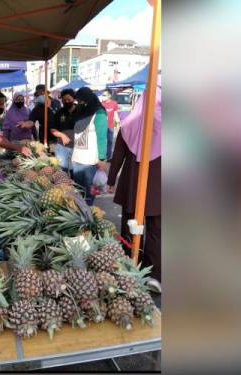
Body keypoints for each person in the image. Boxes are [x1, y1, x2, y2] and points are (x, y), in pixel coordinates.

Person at [107, 84, 161, 284]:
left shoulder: (130, 122)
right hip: (160, 189)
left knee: (131, 226)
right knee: (157, 231)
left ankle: (129, 269)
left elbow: (118, 153)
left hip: (133, 185)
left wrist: (111, 180)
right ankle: (154, 276)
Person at [71, 87, 108, 206]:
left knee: (89, 191)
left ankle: (88, 215)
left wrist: (101, 158)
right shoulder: (79, 112)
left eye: (82, 101)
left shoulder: (99, 113)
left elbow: (102, 137)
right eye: (78, 101)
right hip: (77, 158)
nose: (80, 103)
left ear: (89, 99)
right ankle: (81, 214)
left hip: (90, 160)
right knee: (79, 190)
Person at [51, 88, 77, 172]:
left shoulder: (80, 111)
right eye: (64, 100)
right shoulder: (59, 113)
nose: (66, 102)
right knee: (62, 172)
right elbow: (52, 129)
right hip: (62, 147)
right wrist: (62, 135)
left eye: (69, 99)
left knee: (76, 172)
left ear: (74, 98)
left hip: (77, 147)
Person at [101, 88, 120, 161]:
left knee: (110, 142)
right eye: (103, 95)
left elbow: (115, 114)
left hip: (110, 126)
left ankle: (109, 156)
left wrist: (118, 124)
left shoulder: (114, 103)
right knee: (102, 142)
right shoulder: (101, 104)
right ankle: (101, 156)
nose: (103, 96)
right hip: (102, 127)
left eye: (104, 95)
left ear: (109, 95)